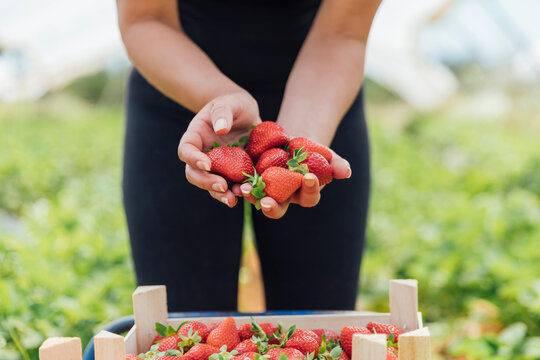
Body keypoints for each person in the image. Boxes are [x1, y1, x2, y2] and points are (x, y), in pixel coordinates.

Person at [117, 0, 381, 312]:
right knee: (186, 325)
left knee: (318, 328)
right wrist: (219, 101)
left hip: (322, 97)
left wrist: (296, 148)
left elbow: (342, 33)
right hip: (181, 94)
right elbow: (146, 20)